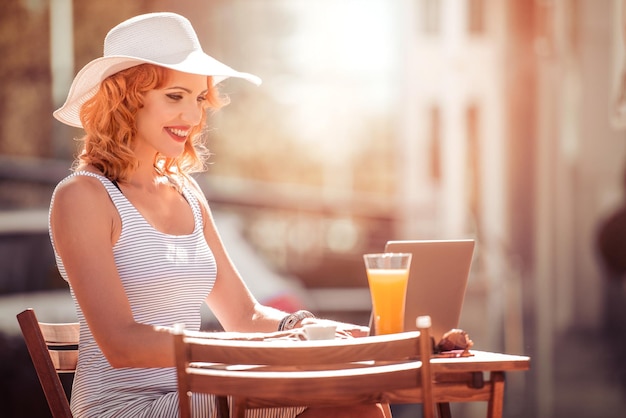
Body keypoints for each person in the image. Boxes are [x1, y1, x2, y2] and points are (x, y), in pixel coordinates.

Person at [49, 12, 387, 418]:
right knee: (349, 395)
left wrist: (317, 332)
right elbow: (121, 344)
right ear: (125, 98)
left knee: (359, 386)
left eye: (198, 99)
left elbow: (245, 315)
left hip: (197, 395)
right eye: (175, 96)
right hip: (124, 408)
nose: (192, 118)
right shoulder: (82, 197)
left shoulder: (186, 193)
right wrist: (258, 350)